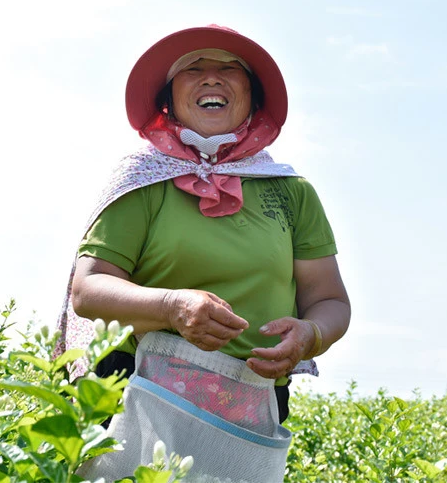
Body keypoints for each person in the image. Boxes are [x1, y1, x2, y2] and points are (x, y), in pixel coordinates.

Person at [54, 24, 350, 481]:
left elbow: (330, 301)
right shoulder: (144, 181)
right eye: (193, 68)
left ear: (252, 97)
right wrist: (172, 307)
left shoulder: (291, 192)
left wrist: (311, 334)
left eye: (229, 68)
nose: (211, 77)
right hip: (142, 389)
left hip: (251, 402)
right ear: (168, 99)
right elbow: (89, 289)